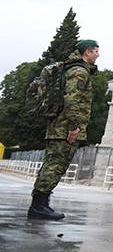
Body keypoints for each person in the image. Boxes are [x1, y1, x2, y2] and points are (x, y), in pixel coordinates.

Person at [28, 39, 99, 220]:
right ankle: (38, 206)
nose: (98, 54)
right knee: (55, 166)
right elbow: (72, 100)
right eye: (96, 51)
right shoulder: (79, 72)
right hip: (65, 128)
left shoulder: (72, 68)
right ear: (87, 52)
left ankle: (41, 204)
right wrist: (74, 127)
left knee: (53, 164)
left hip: (59, 126)